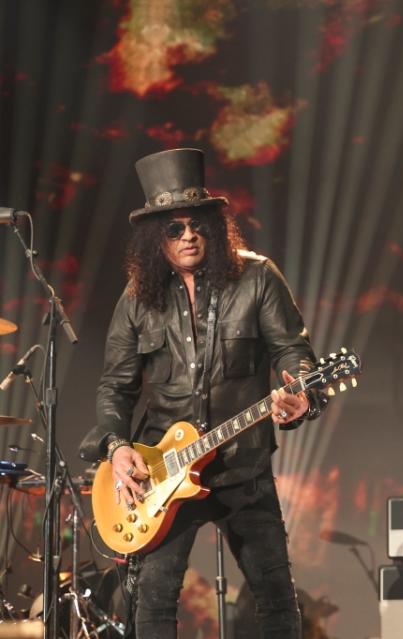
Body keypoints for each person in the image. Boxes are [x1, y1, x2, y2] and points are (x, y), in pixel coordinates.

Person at [79, 148, 326, 638]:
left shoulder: (257, 277)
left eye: (197, 224)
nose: (188, 235)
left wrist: (300, 395)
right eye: (174, 228)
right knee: (153, 601)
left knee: (276, 601)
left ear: (213, 228)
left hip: (243, 464)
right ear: (157, 240)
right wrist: (118, 445)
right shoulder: (137, 298)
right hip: (162, 473)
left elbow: (294, 353)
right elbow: (115, 386)